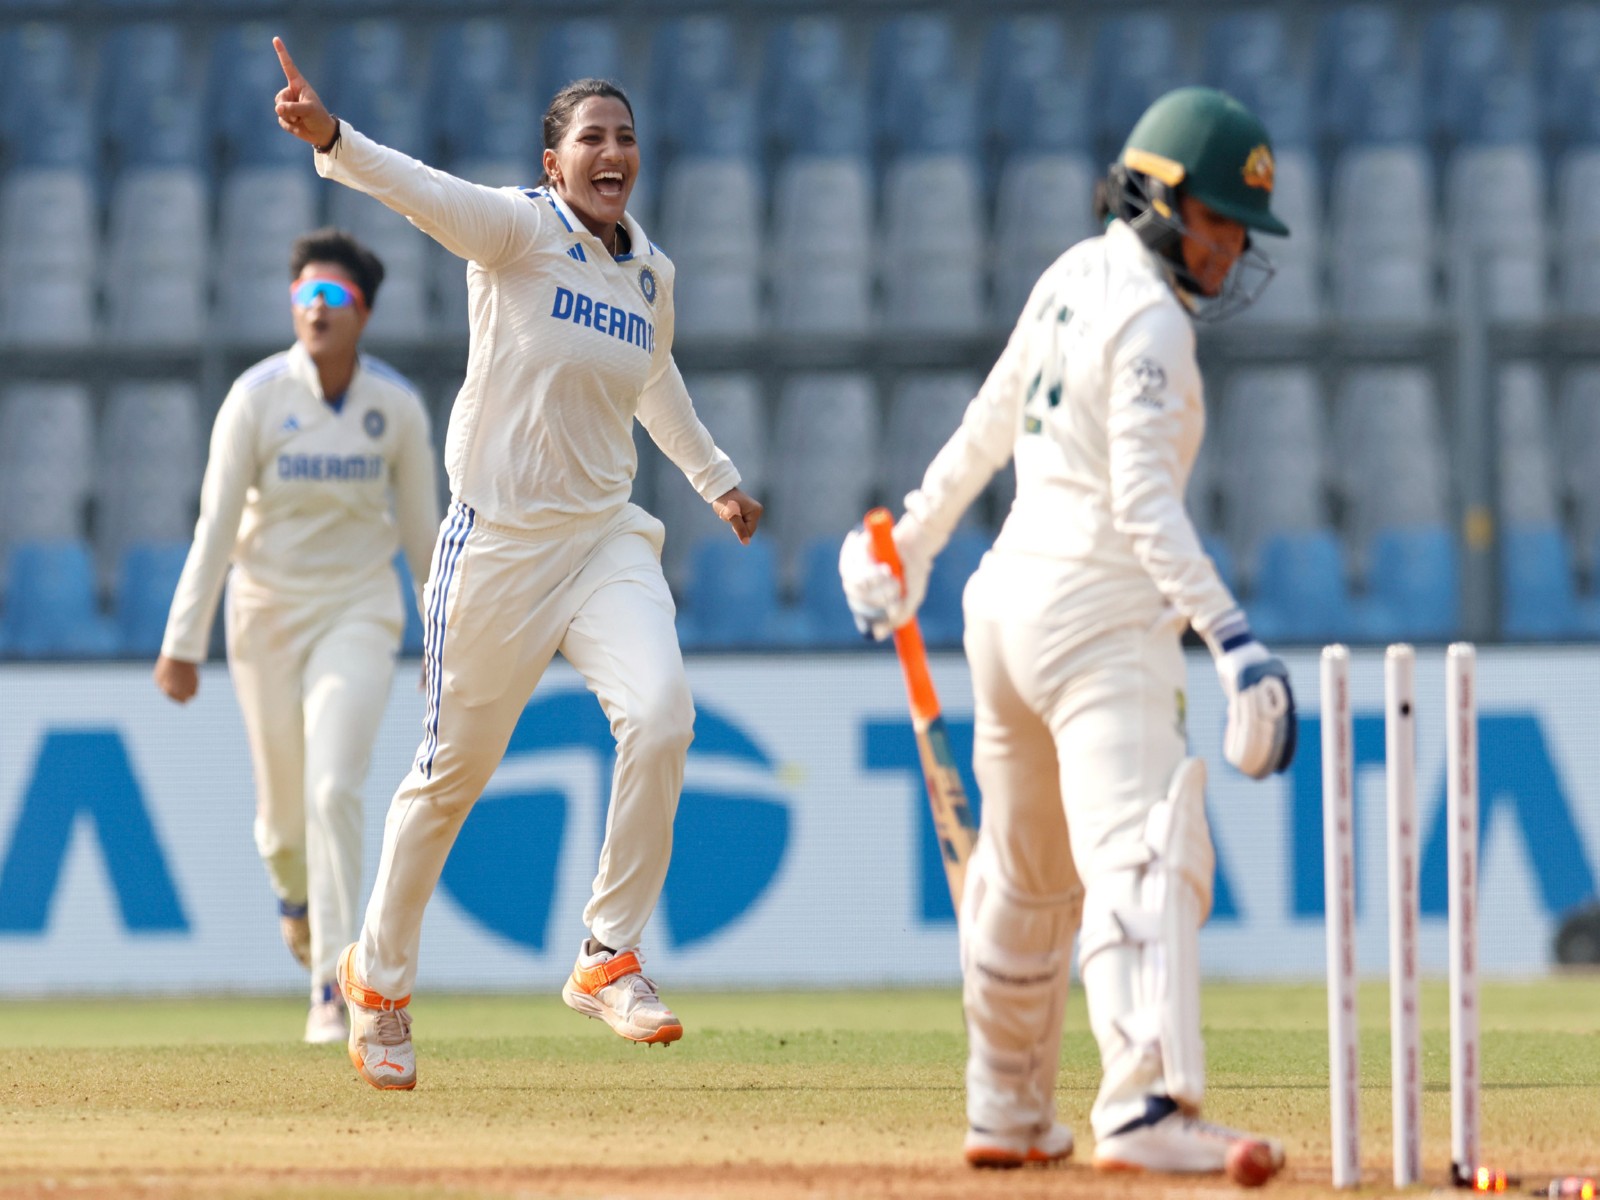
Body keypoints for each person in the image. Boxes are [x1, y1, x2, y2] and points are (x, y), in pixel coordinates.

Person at [270, 40, 765, 1090]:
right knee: (449, 778)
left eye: (625, 136)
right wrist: (333, 140)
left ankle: (605, 954)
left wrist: (713, 475)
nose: (613, 151)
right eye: (591, 137)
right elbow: (420, 191)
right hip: (495, 542)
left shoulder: (649, 271)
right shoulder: (515, 230)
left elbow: (654, 376)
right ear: (553, 164)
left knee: (665, 714)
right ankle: (380, 985)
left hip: (601, 542)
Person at [840, 87, 1298, 1181]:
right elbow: (1141, 504)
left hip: (1000, 611)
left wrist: (909, 540)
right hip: (1098, 617)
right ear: (1159, 201)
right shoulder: (1150, 321)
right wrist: (1233, 642)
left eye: (1241, 232)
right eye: (1220, 223)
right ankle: (1143, 1108)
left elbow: (984, 426)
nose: (1231, 252)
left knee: (1027, 873)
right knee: (1144, 850)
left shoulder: (1068, 276)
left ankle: (1006, 1109)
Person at [155, 228, 440, 1045]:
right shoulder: (255, 398)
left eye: (335, 297)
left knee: (333, 791)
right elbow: (214, 525)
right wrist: (183, 641)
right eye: (305, 296)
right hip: (265, 617)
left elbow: (425, 541)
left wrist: (442, 643)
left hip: (358, 611)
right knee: (283, 829)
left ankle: (333, 988)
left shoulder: (395, 408)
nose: (317, 310)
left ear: (366, 313)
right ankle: (296, 902)